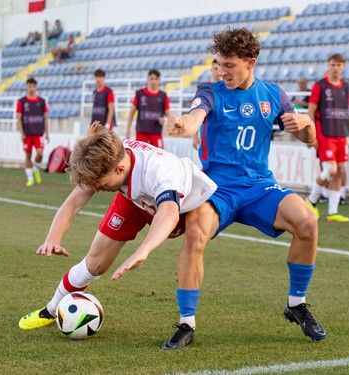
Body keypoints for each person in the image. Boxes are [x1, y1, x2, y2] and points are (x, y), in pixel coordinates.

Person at [116, 28, 325, 350]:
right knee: (195, 232)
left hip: (260, 187)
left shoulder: (274, 94)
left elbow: (308, 138)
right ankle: (186, 323)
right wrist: (184, 126)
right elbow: (196, 116)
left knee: (308, 222)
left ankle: (296, 304)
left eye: (229, 65)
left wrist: (306, 126)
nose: (222, 71)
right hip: (217, 189)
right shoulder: (211, 91)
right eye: (219, 63)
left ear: (250, 62)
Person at [18, 124, 217, 336]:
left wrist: (143, 250)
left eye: (100, 184)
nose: (96, 189)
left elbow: (168, 212)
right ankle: (50, 310)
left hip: (186, 204)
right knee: (95, 263)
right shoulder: (107, 159)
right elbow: (73, 202)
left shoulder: (158, 170)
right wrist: (53, 239)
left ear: (119, 169)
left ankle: (187, 322)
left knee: (194, 242)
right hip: (134, 199)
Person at [305, 53, 349, 222]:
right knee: (330, 170)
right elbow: (311, 110)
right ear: (328, 65)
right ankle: (311, 201)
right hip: (325, 133)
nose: (336, 68)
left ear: (343, 66)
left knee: (339, 171)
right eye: (333, 65)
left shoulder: (345, 87)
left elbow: (347, 113)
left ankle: (333, 212)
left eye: (339, 65)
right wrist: (311, 135)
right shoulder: (320, 86)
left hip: (341, 134)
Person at [16, 77, 50, 187]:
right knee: (28, 155)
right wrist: (21, 133)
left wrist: (47, 133)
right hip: (27, 133)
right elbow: (19, 118)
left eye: (33, 86)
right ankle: (30, 178)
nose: (31, 88)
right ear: (27, 87)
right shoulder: (22, 102)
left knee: (40, 154)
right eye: (29, 86)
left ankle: (36, 168)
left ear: (36, 87)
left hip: (38, 132)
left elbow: (45, 118)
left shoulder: (41, 102)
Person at [125, 69, 170, 148]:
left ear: (159, 80)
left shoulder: (163, 96)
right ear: (148, 79)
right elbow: (132, 112)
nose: (153, 81)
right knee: (140, 156)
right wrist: (128, 129)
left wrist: (165, 121)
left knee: (159, 157)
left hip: (156, 133)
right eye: (151, 79)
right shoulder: (139, 94)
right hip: (141, 132)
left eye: (156, 79)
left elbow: (168, 114)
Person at [193, 59, 222, 150]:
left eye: (220, 68)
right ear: (211, 70)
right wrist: (195, 136)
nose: (218, 71)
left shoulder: (229, 88)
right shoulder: (205, 89)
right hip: (208, 134)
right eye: (216, 68)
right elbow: (196, 112)